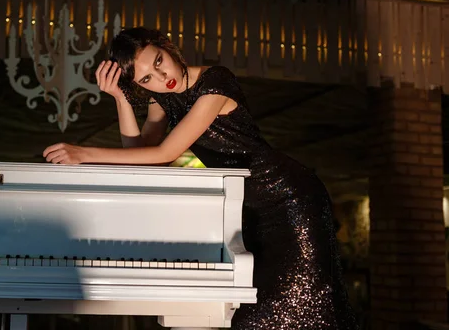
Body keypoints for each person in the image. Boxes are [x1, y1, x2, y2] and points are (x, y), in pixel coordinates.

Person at [43, 27, 358, 329]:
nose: (162, 78)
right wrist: (121, 97)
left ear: (167, 47)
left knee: (290, 310)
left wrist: (85, 153)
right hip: (249, 211)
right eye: (146, 79)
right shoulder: (161, 99)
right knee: (261, 311)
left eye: (158, 62)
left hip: (289, 200)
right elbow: (145, 162)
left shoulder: (215, 82)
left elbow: (166, 152)